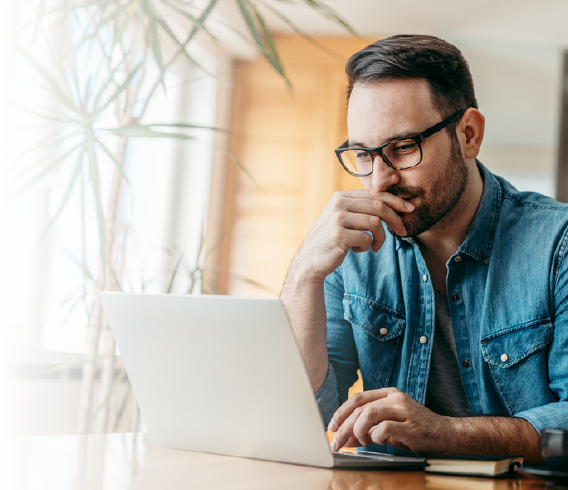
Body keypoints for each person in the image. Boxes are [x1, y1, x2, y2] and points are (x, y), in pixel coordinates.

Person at [280, 34, 568, 464]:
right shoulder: (349, 250)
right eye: (363, 155)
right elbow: (301, 413)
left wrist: (445, 433)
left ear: (469, 134)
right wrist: (305, 273)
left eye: (402, 148)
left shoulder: (557, 244)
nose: (379, 181)